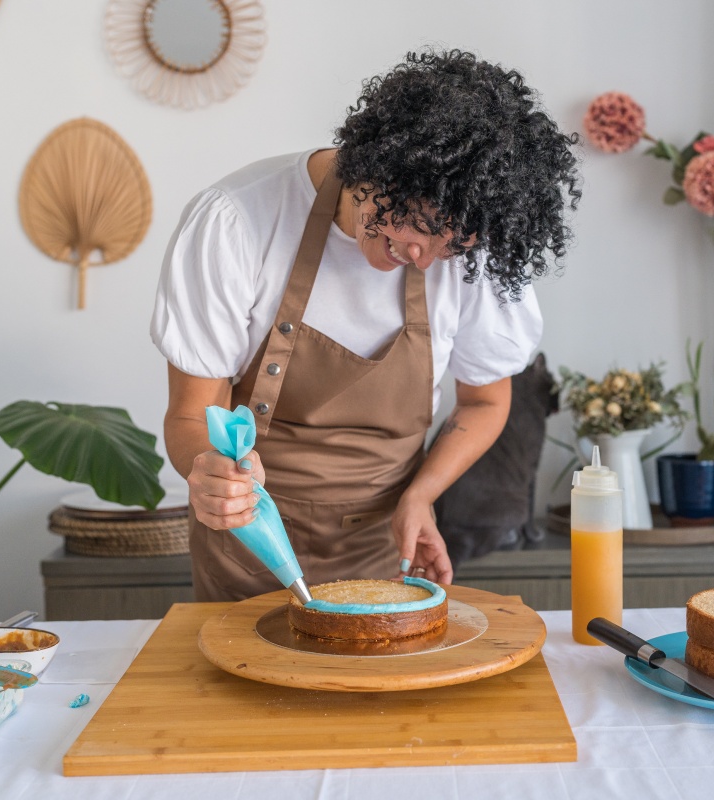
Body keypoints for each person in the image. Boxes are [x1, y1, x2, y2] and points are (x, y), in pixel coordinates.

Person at [151, 49, 581, 602]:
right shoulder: (237, 221)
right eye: (422, 226)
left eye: (452, 247)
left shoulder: (462, 260)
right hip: (247, 545)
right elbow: (191, 414)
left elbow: (484, 402)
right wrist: (208, 473)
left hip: (383, 552)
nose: (425, 259)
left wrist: (422, 494)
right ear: (384, 165)